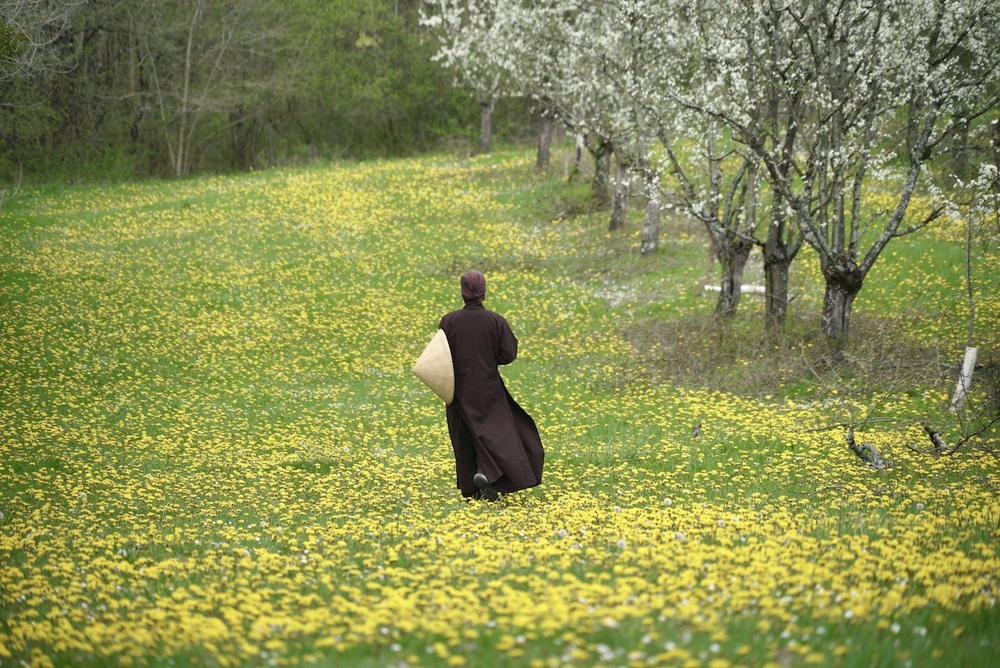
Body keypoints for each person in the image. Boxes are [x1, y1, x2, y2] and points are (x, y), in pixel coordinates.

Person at [438, 271, 544, 501]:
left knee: (465, 435)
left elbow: (439, 355)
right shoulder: (496, 321)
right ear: (484, 291)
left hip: (457, 390)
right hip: (488, 388)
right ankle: (489, 474)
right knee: (499, 433)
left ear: (462, 292)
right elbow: (508, 354)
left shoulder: (449, 321)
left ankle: (475, 485)